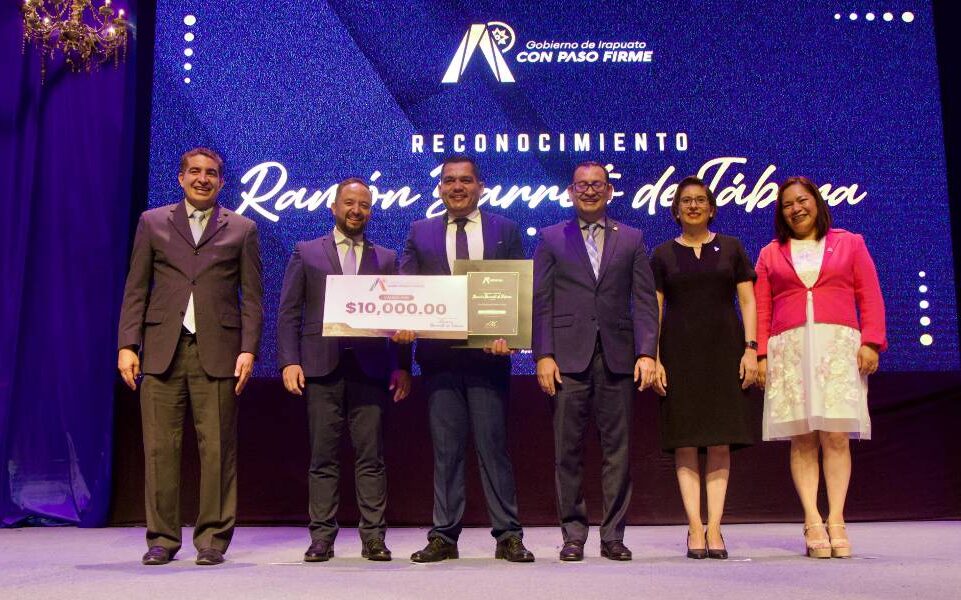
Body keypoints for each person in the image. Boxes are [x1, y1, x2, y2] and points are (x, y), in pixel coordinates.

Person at [117, 147, 263, 566]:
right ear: (181, 178)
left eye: (211, 173)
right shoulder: (152, 222)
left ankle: (213, 539)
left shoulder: (243, 228)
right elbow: (136, 288)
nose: (203, 179)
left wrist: (248, 349)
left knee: (217, 450)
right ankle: (162, 539)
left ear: (221, 181)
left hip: (218, 353)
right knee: (160, 449)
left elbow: (253, 299)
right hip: (162, 350)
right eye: (195, 172)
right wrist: (127, 344)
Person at [399, 155, 534, 563]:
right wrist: (403, 324)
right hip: (438, 359)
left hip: (488, 359)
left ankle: (508, 535)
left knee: (494, 448)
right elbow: (407, 288)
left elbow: (516, 289)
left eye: (466, 180)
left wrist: (510, 337)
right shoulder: (420, 231)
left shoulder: (504, 229)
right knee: (446, 451)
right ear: (440, 188)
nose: (457, 187)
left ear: (480, 186)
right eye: (449, 181)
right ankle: (444, 536)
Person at [277, 178, 413, 563]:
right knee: (323, 458)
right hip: (321, 368)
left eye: (364, 205)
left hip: (371, 369)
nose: (357, 210)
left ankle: (374, 538)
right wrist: (289, 360)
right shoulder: (306, 252)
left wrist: (403, 366)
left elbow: (401, 316)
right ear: (334, 207)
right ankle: (322, 537)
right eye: (350, 203)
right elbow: (289, 312)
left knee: (372, 458)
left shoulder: (386, 258)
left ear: (370, 211)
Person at [532, 160, 658, 562]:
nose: (589, 191)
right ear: (571, 191)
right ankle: (573, 535)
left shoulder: (632, 238)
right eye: (582, 185)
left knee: (618, 452)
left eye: (597, 185)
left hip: (618, 358)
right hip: (567, 359)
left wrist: (646, 352)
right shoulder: (552, 237)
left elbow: (645, 301)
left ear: (609, 191)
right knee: (567, 451)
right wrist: (543, 354)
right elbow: (541, 301)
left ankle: (613, 536)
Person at [755, 176, 886, 559]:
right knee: (803, 437)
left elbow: (870, 294)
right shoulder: (770, 253)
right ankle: (812, 519)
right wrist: (761, 355)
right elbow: (762, 308)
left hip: (837, 347)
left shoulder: (850, 242)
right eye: (787, 205)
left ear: (816, 202)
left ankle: (837, 519)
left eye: (802, 200)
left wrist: (872, 341)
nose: (796, 209)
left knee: (836, 435)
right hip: (791, 350)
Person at [650, 176, 757, 560]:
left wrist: (751, 350)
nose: (693, 206)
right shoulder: (662, 254)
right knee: (685, 442)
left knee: (719, 441)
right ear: (676, 210)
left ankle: (715, 527)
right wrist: (654, 357)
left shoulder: (732, 247)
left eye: (700, 200)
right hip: (678, 355)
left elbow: (748, 301)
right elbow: (653, 309)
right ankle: (695, 525)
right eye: (686, 201)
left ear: (711, 208)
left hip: (724, 353)